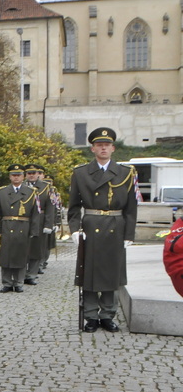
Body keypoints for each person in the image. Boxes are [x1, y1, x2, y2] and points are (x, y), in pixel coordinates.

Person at [68, 128, 138, 332]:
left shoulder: (126, 173)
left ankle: (107, 315)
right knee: (88, 273)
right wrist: (74, 229)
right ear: (93, 149)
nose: (103, 148)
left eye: (106, 145)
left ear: (113, 148)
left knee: (111, 273)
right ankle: (91, 316)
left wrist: (129, 234)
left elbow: (131, 208)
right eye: (99, 145)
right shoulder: (80, 173)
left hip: (116, 226)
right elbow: (73, 206)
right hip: (91, 225)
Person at [0, 164, 39, 293]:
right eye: (13, 175)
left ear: (23, 177)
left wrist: (34, 231)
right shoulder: (1, 192)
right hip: (6, 226)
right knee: (6, 256)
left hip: (23, 227)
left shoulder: (31, 192)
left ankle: (18, 283)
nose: (16, 177)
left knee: (21, 255)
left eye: (18, 175)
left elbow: (35, 214)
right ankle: (6, 282)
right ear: (10, 176)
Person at [24, 164, 56, 285]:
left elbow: (50, 207)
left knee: (36, 248)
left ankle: (32, 274)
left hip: (40, 219)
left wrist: (49, 224)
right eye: (29, 173)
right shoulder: (21, 186)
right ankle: (22, 273)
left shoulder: (47, 188)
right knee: (23, 247)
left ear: (38, 174)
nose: (31, 175)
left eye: (34, 173)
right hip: (25, 220)